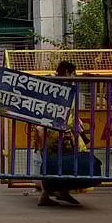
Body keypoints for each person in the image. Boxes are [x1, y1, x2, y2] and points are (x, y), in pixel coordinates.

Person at [34, 61, 101, 206]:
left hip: (61, 131)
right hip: (58, 133)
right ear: (66, 72)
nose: (75, 75)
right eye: (73, 73)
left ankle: (61, 191)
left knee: (59, 163)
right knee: (63, 162)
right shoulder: (57, 87)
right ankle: (52, 193)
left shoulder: (61, 86)